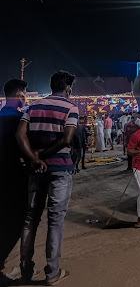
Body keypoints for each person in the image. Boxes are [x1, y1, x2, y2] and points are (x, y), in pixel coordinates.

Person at [16, 71, 78, 285]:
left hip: (36, 170)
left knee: (30, 219)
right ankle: (52, 273)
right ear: (68, 87)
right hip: (60, 169)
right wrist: (42, 156)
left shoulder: (32, 107)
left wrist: (34, 158)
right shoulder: (70, 108)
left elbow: (20, 134)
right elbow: (67, 139)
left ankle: (25, 269)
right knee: (55, 221)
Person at [0, 79, 28, 286]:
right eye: (24, 93)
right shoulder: (20, 120)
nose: (25, 96)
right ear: (18, 94)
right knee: (16, 222)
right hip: (14, 176)